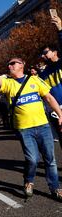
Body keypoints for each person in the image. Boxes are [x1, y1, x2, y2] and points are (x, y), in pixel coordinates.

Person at [0, 47, 62, 200]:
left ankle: (55, 188)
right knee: (32, 159)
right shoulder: (8, 84)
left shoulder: (34, 80)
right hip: (24, 129)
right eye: (8, 65)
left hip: (43, 126)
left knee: (50, 159)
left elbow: (49, 98)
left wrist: (60, 114)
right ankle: (29, 181)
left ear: (22, 64)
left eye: (12, 63)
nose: (9, 66)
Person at [39, 13, 62, 148]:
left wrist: (59, 27)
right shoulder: (44, 73)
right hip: (56, 111)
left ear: (55, 52)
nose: (43, 56)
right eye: (41, 54)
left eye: (45, 52)